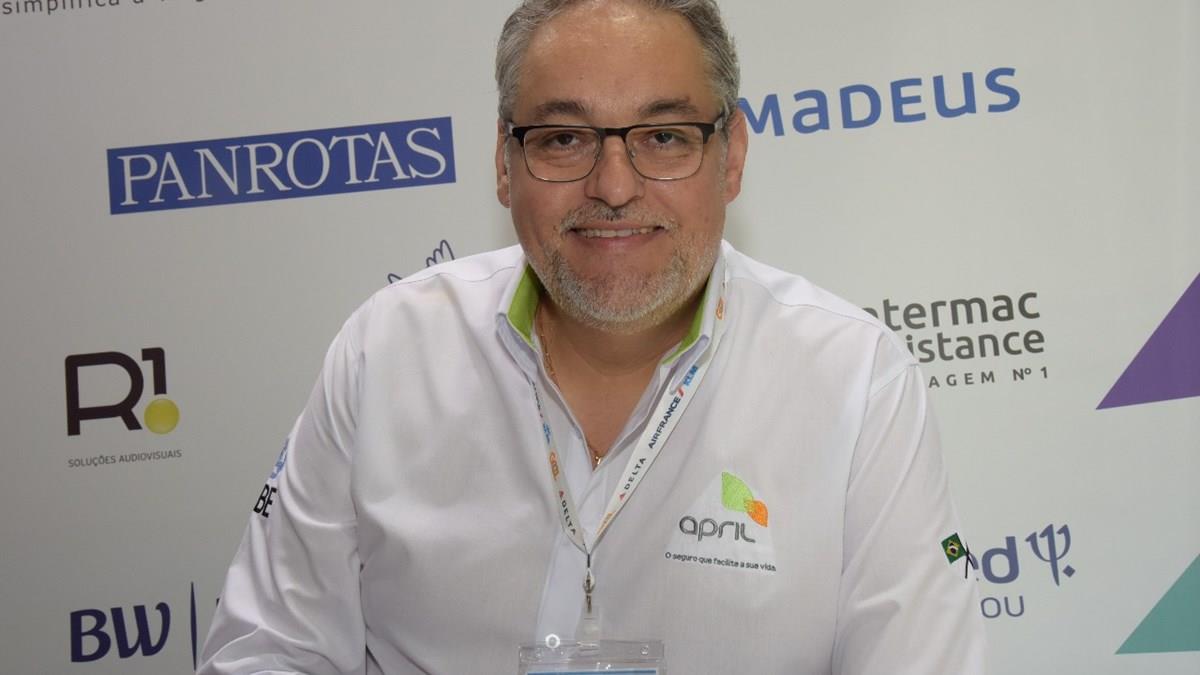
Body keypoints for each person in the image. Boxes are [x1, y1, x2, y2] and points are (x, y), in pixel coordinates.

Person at [199, 1, 986, 673]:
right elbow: (267, 651)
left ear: (732, 156)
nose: (613, 187)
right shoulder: (389, 352)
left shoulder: (856, 382)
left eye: (665, 136)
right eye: (563, 139)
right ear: (504, 162)